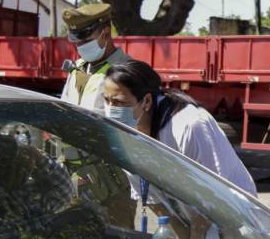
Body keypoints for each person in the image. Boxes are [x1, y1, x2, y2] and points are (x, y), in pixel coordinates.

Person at [103, 59, 258, 197]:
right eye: (106, 100)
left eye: (119, 103)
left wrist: (195, 229)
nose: (110, 109)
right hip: (186, 215)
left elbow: (213, 194)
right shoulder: (124, 136)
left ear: (147, 101)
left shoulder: (189, 126)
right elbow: (153, 200)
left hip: (232, 215)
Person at [61, 3, 130, 113]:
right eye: (77, 42)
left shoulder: (128, 71)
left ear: (106, 33)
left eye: (86, 41)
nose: (81, 47)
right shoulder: (77, 67)